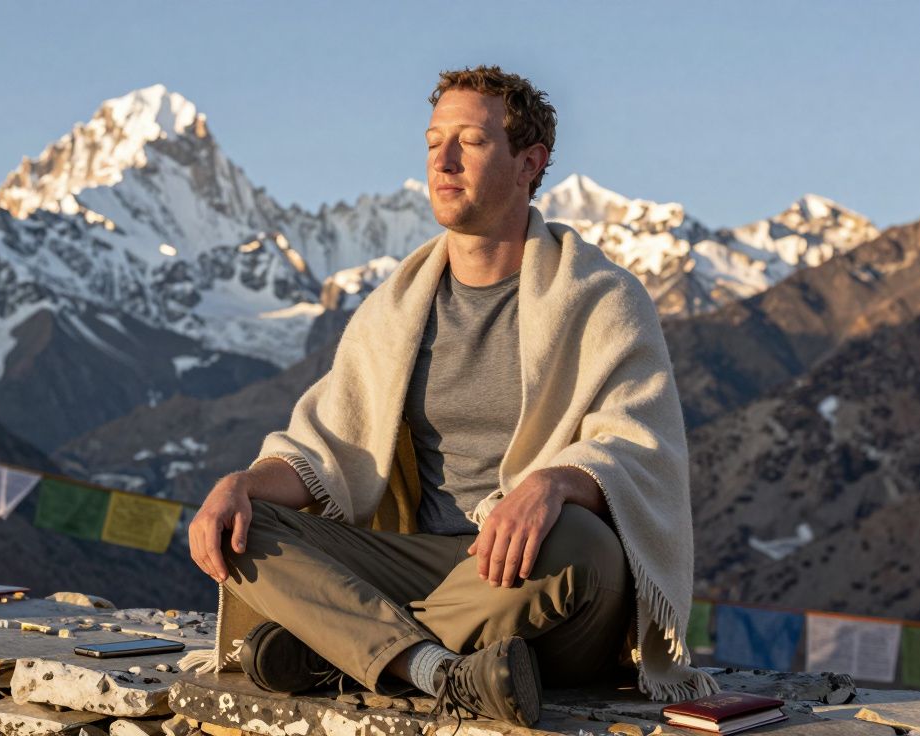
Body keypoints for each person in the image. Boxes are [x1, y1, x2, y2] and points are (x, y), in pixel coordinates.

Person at [184, 65, 717, 726]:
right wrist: (242, 483)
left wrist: (551, 485)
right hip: (424, 564)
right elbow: (324, 449)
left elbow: (641, 449)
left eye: (470, 140)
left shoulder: (602, 299)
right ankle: (435, 670)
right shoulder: (396, 308)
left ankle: (343, 645)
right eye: (435, 140)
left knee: (575, 543)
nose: (443, 158)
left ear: (529, 163)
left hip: (537, 581)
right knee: (248, 529)